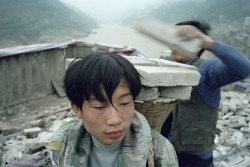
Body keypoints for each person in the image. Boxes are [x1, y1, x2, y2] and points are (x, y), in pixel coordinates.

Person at [50, 52, 179, 167]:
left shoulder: (159, 151)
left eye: (124, 103)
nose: (114, 120)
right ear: (77, 109)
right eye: (99, 107)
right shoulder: (62, 144)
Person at [161, 20, 250, 167]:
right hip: (169, 150)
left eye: (181, 40)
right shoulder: (171, 69)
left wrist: (207, 41)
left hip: (195, 158)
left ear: (198, 46)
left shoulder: (207, 69)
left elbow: (244, 69)